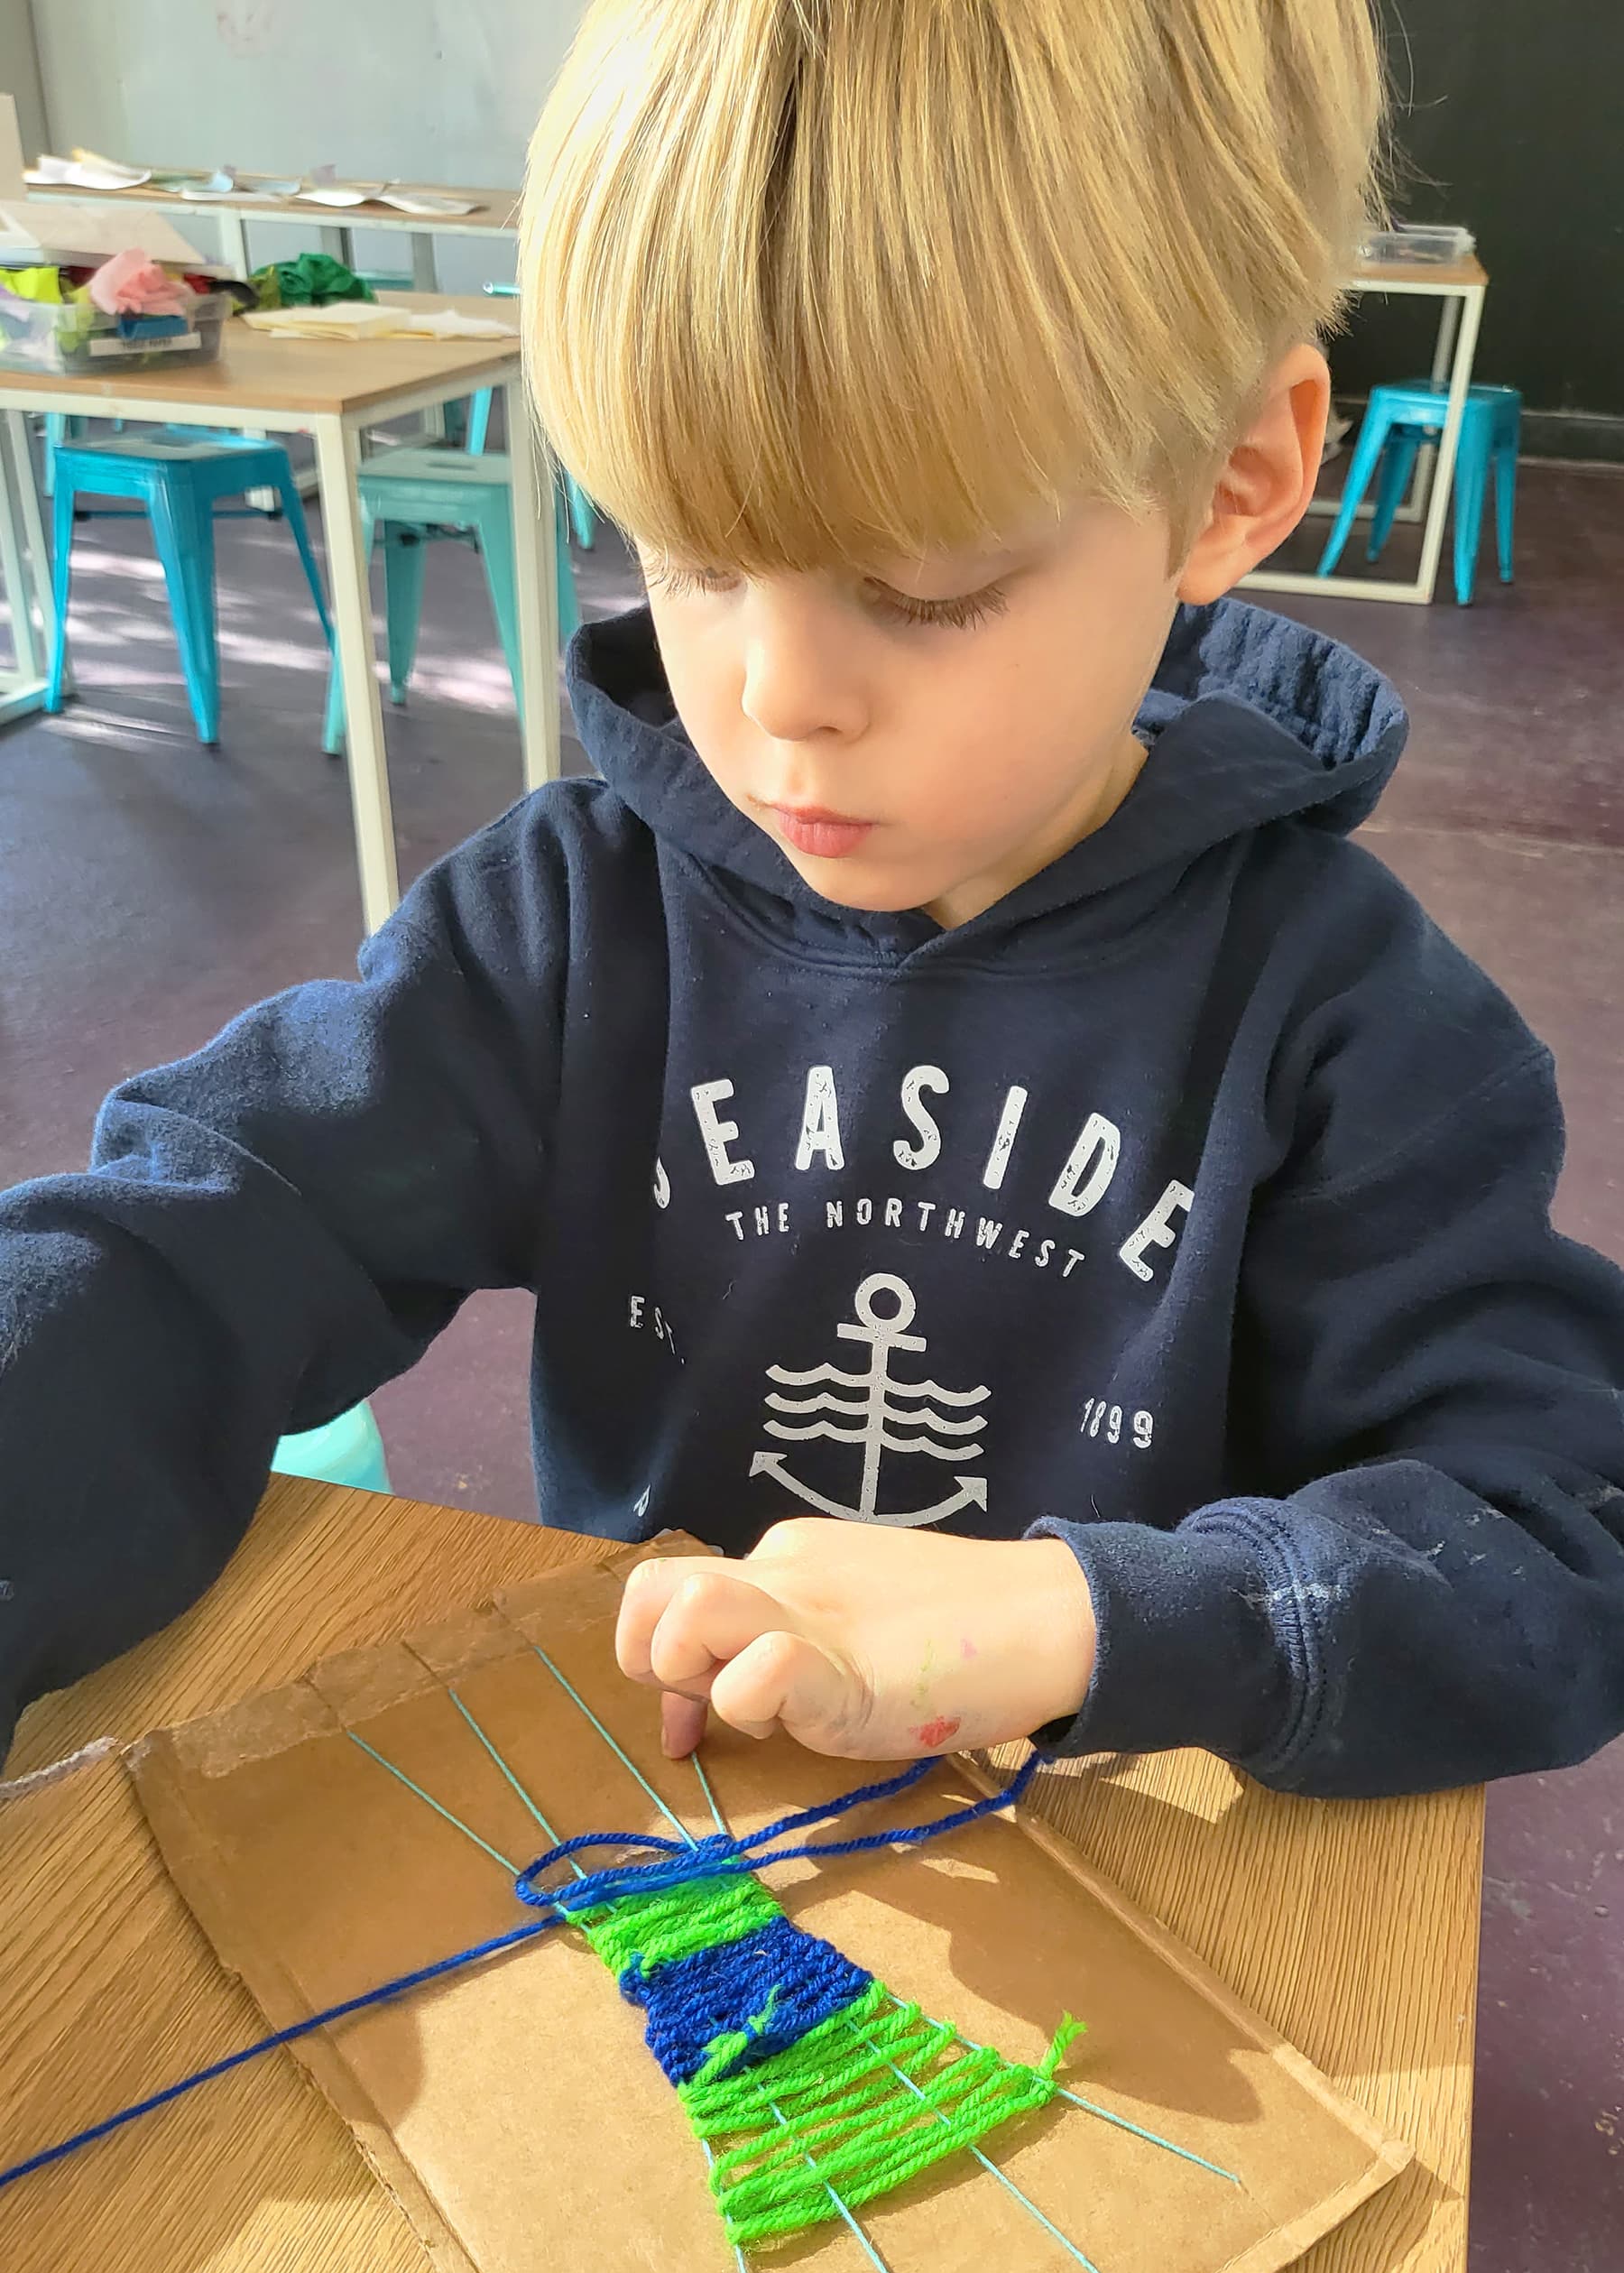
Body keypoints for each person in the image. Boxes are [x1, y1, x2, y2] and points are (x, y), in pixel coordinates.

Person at [3, 0, 1621, 1797]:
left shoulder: (1347, 1027)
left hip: (1137, 1859)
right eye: (688, 552)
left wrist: (1087, 1620)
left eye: (925, 591)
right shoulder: (567, 934)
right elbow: (198, 1240)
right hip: (702, 1820)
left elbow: (1555, 1538)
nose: (779, 698)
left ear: (1232, 484)